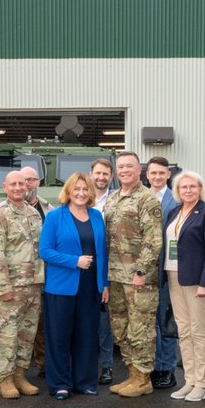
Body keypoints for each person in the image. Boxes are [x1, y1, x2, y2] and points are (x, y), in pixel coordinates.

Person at [39, 172, 108, 399]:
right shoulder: (55, 217)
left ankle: (85, 382)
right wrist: (74, 262)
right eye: (76, 189)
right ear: (68, 192)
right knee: (59, 337)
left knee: (87, 335)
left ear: (90, 192)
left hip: (91, 286)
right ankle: (60, 383)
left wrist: (104, 283)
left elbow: (102, 253)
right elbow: (45, 251)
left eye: (85, 189)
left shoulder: (97, 216)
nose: (80, 193)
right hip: (61, 286)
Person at [104, 151, 163, 398]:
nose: (125, 170)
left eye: (130, 166)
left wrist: (141, 270)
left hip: (138, 278)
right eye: (121, 167)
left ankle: (143, 378)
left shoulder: (146, 199)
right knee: (121, 327)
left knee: (141, 328)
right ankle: (132, 374)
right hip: (115, 275)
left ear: (139, 170)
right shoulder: (113, 198)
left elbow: (154, 240)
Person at [161, 171, 205, 402]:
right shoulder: (175, 211)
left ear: (200, 189)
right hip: (174, 275)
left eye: (192, 187)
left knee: (198, 331)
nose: (188, 190)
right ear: (177, 190)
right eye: (183, 187)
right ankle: (190, 380)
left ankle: (202, 384)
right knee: (184, 332)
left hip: (197, 280)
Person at [0, 170, 44, 399]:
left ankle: (20, 375)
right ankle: (5, 379)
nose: (19, 187)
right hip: (9, 287)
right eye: (14, 184)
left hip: (33, 285)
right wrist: (3, 286)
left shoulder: (34, 214)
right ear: (5, 187)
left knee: (27, 334)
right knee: (6, 335)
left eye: (22, 183)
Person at [146, 156, 180, 389]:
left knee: (166, 322)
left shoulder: (176, 200)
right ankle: (151, 368)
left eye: (162, 173)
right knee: (148, 324)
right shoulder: (140, 198)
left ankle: (166, 369)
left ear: (168, 175)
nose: (157, 177)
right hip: (143, 272)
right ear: (147, 175)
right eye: (153, 173)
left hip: (167, 272)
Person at [91, 158, 117, 385]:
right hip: (81, 267)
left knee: (103, 323)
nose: (101, 177)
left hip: (107, 267)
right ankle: (85, 366)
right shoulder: (80, 198)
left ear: (111, 177)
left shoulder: (117, 200)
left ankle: (107, 366)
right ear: (91, 174)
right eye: (97, 173)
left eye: (105, 174)